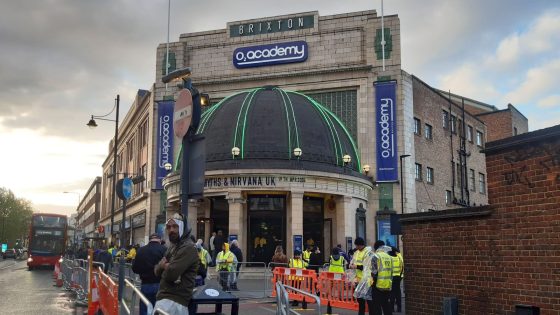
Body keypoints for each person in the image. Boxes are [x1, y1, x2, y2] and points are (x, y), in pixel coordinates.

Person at [153, 214, 199, 315]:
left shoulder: (188, 247)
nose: (171, 230)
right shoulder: (172, 247)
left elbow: (171, 274)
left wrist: (164, 267)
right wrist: (162, 266)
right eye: (169, 227)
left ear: (182, 227)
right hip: (165, 300)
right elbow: (156, 271)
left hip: (175, 301)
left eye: (175, 226)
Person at [132, 233, 166, 315]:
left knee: (145, 309)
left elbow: (135, 269)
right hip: (161, 285)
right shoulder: (164, 249)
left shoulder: (141, 250)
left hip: (145, 285)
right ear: (160, 240)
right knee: (160, 310)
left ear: (149, 240)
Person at [349, 237, 372, 315]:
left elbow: (367, 266)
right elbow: (353, 261)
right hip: (358, 280)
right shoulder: (357, 252)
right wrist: (351, 265)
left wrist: (356, 266)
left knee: (369, 300)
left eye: (357, 246)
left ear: (361, 245)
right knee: (360, 300)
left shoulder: (368, 252)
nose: (356, 247)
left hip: (366, 280)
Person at [371, 241, 393, 315]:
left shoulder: (375, 256)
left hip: (378, 285)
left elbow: (374, 272)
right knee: (386, 305)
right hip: (387, 285)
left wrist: (371, 282)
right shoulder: (389, 257)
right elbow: (391, 272)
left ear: (376, 247)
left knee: (377, 307)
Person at [389, 247, 403, 313]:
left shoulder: (389, 258)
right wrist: (401, 276)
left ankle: (391, 308)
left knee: (392, 293)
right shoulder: (399, 257)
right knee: (398, 293)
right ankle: (399, 308)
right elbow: (402, 266)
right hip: (398, 277)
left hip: (392, 278)